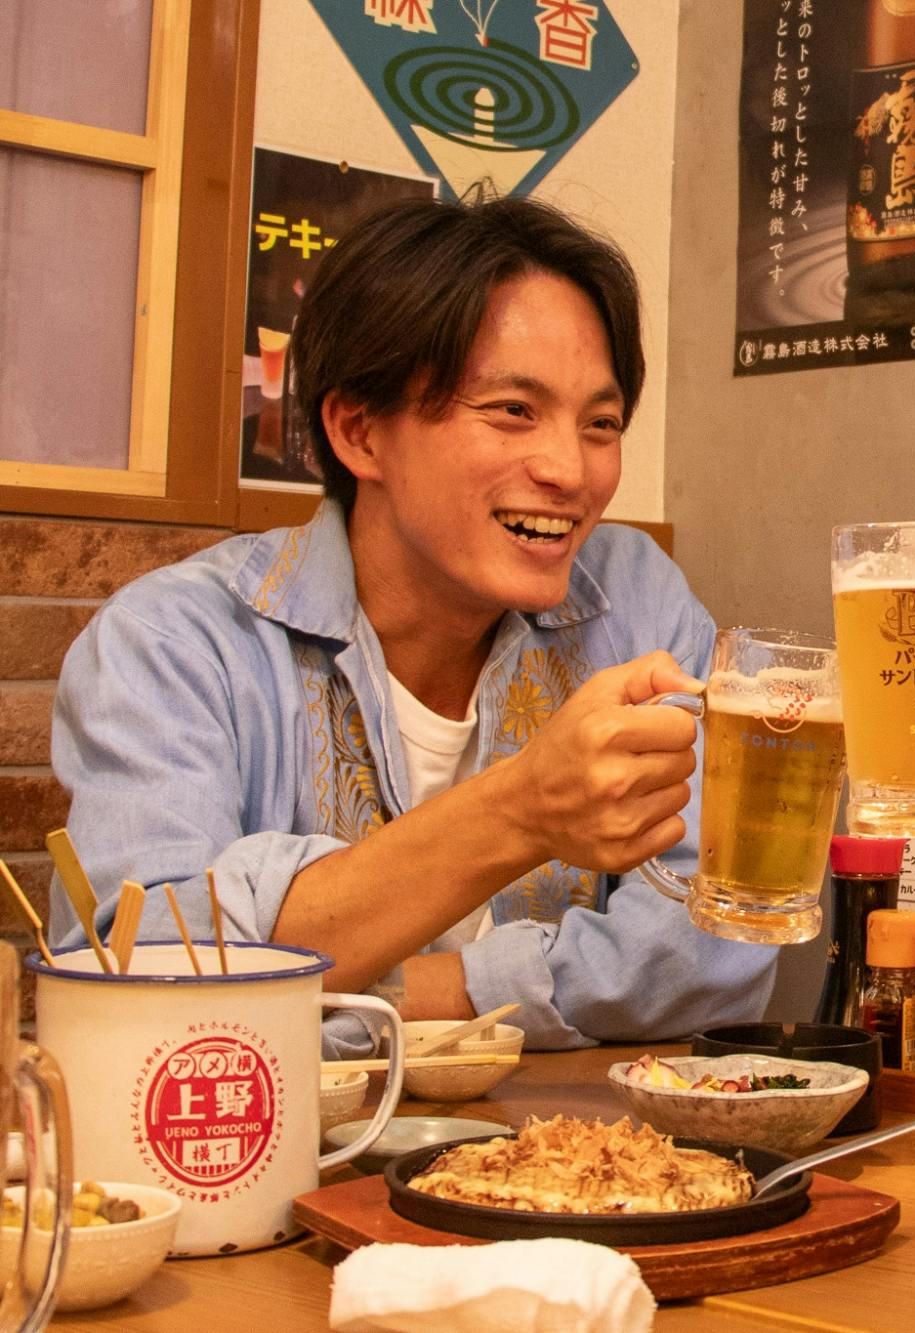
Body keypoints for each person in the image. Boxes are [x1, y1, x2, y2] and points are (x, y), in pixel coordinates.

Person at [50, 198, 776, 1052]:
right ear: (360, 431)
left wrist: (380, 989)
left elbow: (725, 937)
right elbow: (145, 985)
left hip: (571, 1166)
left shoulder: (634, 602)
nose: (569, 470)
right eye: (512, 409)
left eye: (601, 424)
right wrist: (520, 812)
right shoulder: (174, 644)